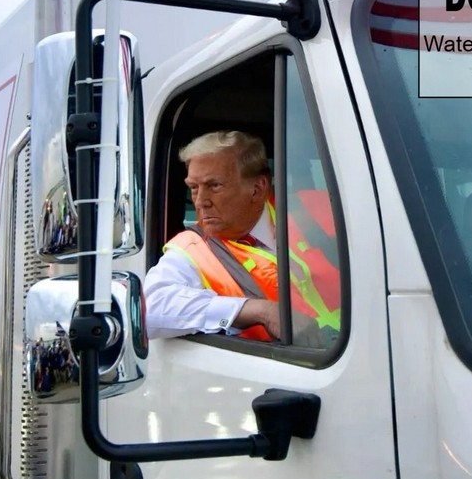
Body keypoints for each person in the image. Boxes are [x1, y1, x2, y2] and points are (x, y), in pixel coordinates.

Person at [144, 130, 340, 345]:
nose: (200, 202)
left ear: (257, 189)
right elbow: (148, 310)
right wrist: (260, 311)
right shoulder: (192, 249)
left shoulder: (317, 207)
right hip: (294, 363)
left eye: (214, 186)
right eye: (193, 188)